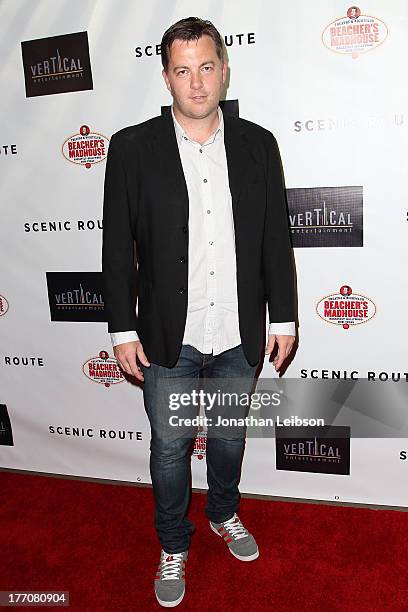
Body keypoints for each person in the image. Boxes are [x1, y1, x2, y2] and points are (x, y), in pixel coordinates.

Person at [102, 16, 296, 608]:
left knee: (230, 437)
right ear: (166, 77)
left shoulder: (258, 144)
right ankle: (172, 542)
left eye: (206, 67)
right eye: (182, 71)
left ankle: (223, 512)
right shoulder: (133, 148)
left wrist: (283, 318)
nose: (196, 83)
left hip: (238, 331)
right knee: (168, 447)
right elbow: (117, 245)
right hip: (168, 336)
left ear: (224, 69)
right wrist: (121, 327)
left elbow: (275, 240)